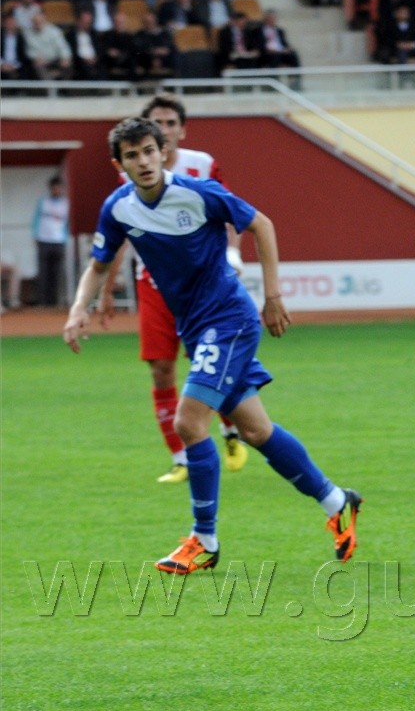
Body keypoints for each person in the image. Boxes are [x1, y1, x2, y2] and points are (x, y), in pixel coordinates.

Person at [63, 116, 362, 576]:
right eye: (132, 155)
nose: (143, 161)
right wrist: (78, 308)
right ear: (118, 164)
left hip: (228, 321)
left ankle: (204, 540)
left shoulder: (197, 193)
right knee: (257, 431)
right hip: (197, 327)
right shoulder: (118, 208)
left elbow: (261, 223)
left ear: (163, 151)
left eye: (148, 150)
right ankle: (338, 501)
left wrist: (274, 295)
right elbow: (99, 264)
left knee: (189, 422)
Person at [99, 94, 249, 484]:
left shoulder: (201, 166)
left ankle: (231, 432)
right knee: (160, 368)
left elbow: (232, 213)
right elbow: (116, 235)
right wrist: (106, 286)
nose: (162, 131)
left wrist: (232, 255)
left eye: (169, 124)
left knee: (211, 365)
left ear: (178, 132)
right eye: (156, 123)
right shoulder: (129, 177)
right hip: (152, 283)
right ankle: (181, 457)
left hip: (203, 286)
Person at [31, 175, 68, 307]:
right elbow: (36, 219)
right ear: (50, 188)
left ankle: (54, 301)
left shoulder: (65, 204)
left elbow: (67, 223)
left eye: (58, 188)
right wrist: (34, 235)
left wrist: (66, 238)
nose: (56, 190)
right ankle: (42, 301)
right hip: (43, 240)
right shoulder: (43, 202)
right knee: (43, 272)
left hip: (59, 241)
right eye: (54, 188)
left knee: (56, 273)